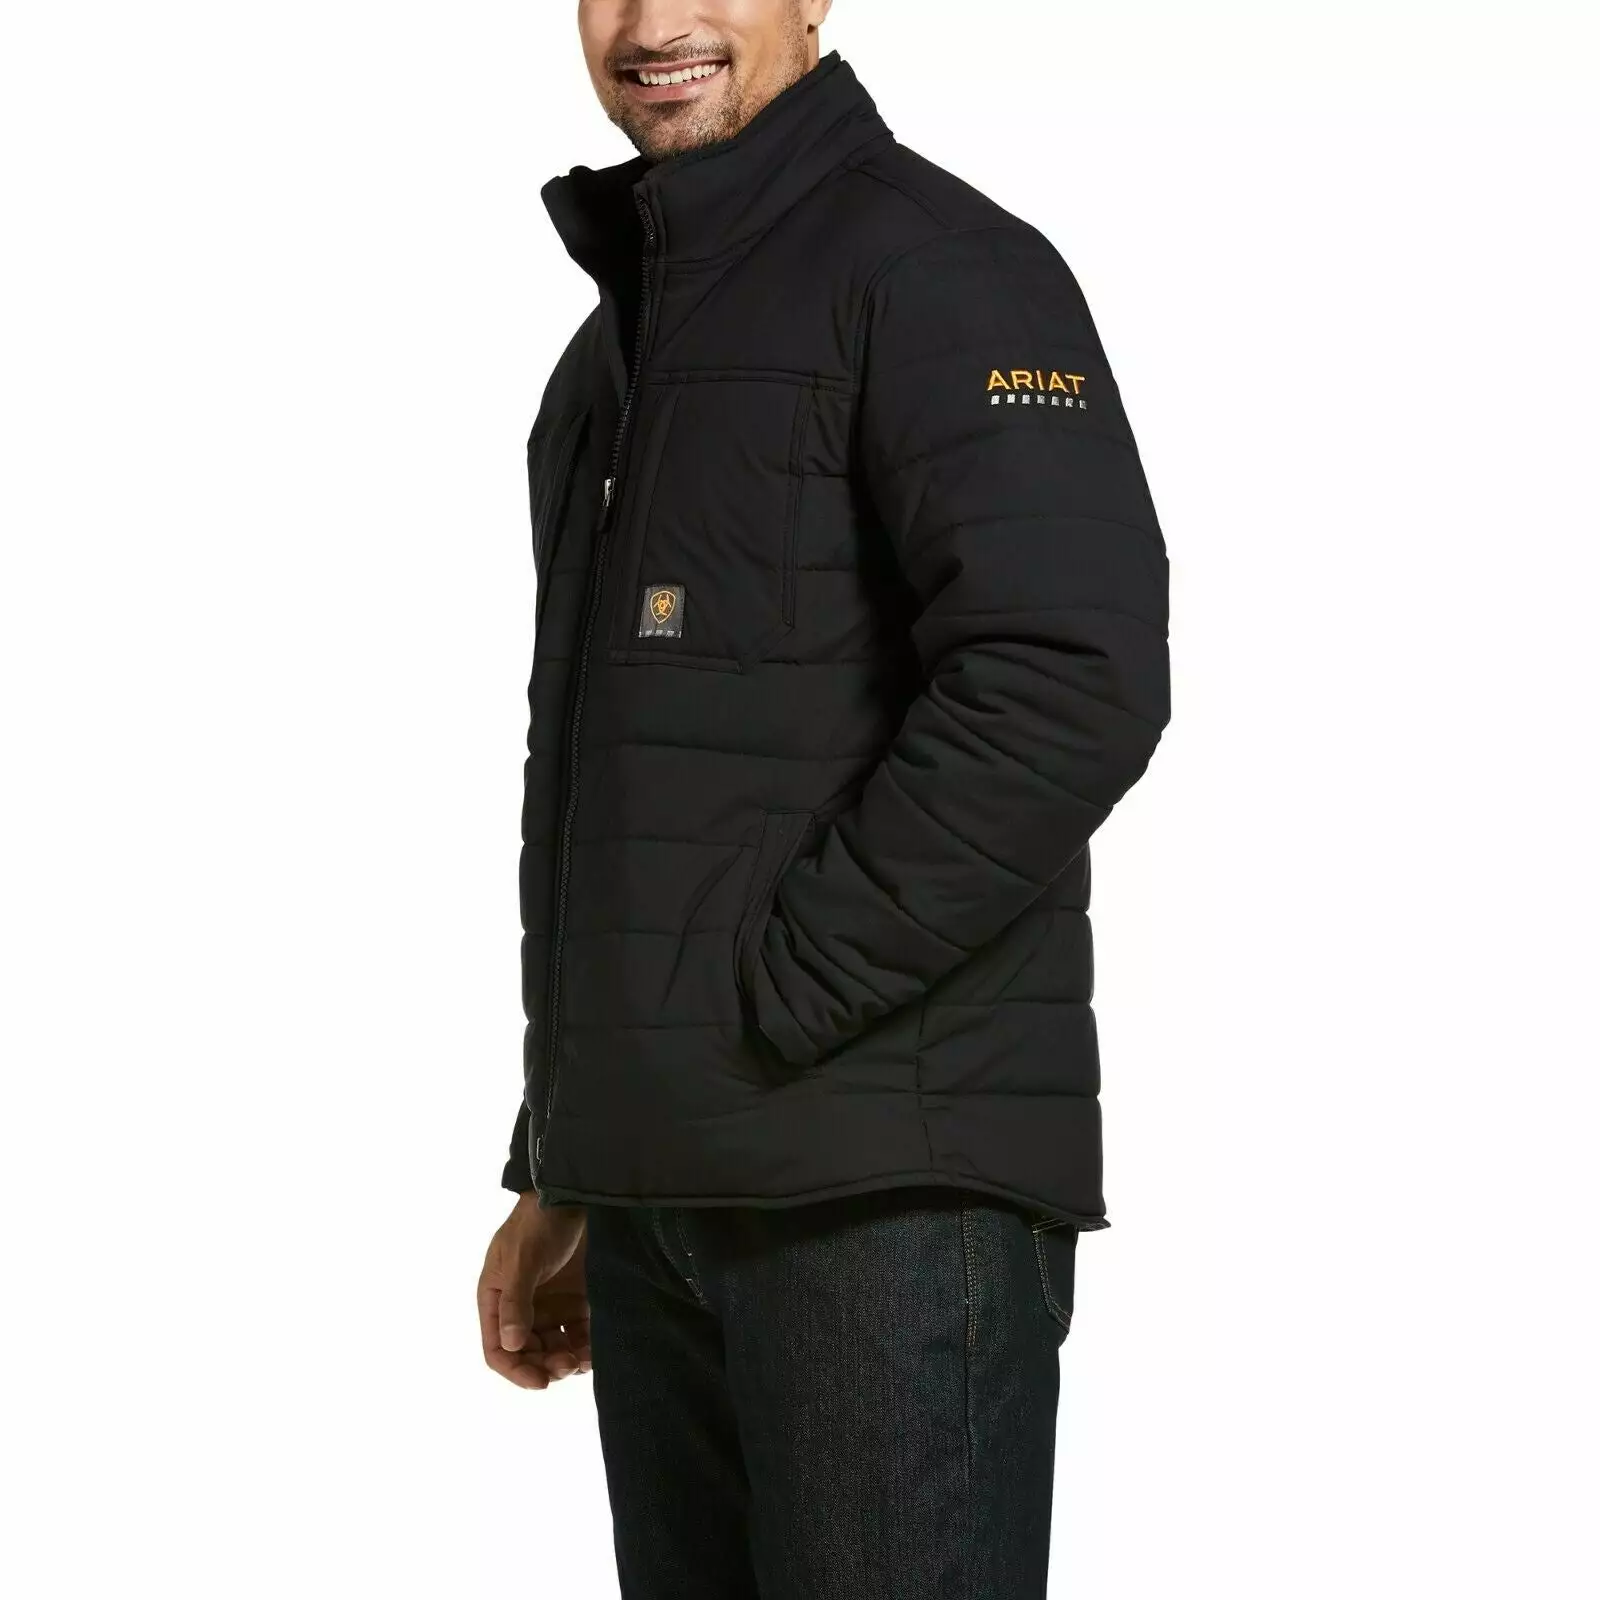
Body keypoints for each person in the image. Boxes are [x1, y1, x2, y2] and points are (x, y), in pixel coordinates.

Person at [476, 3, 1170, 1593]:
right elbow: (623, 788)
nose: (654, 24)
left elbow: (1069, 679)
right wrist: (569, 1152)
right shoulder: (616, 347)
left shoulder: (941, 271)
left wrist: (769, 1007)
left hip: (880, 1208)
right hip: (662, 1192)